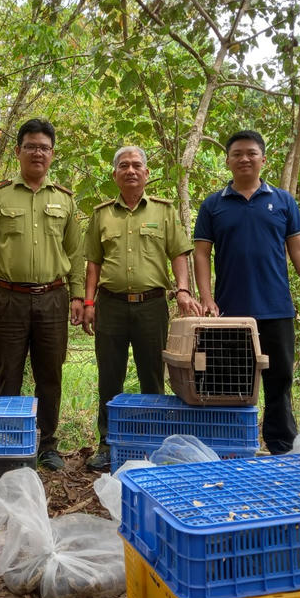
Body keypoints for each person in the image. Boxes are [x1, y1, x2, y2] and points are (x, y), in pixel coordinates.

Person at [193, 129, 300, 455]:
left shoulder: (282, 201)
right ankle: (229, 449)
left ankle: (281, 449)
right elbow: (201, 253)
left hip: (276, 308)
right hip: (229, 313)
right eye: (237, 153)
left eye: (251, 153)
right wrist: (207, 297)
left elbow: (298, 249)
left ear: (263, 159)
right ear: (227, 161)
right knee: (226, 383)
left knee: (279, 383)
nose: (244, 158)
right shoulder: (214, 205)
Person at [0, 118, 84, 471]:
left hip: (53, 296)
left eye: (45, 148)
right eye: (31, 146)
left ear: (52, 155)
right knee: (7, 372)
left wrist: (79, 296)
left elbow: (76, 253)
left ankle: (47, 444)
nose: (38, 153)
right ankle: (7, 442)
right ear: (18, 151)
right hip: (9, 296)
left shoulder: (64, 200)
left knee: (50, 373)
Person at [82, 146, 203, 471]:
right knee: (110, 377)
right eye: (124, 165)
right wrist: (89, 302)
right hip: (111, 305)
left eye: (137, 165)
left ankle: (156, 444)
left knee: (153, 377)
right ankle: (108, 444)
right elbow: (93, 262)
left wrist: (183, 290)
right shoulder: (101, 214)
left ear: (147, 174)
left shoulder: (163, 212)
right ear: (115, 175)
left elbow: (179, 253)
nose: (131, 170)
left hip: (151, 306)